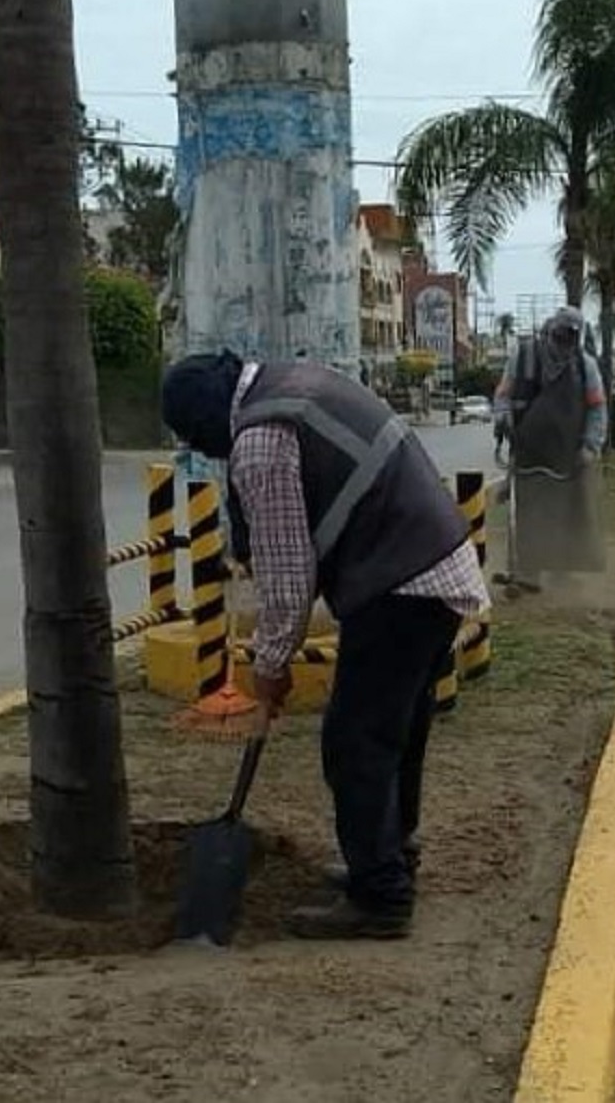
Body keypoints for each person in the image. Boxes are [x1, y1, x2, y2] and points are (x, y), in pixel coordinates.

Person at [161, 351, 491, 938]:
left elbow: (288, 577)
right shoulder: (292, 381)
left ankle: (380, 898)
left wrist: (270, 665)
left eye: (195, 439)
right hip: (438, 568)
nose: (204, 451)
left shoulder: (260, 441)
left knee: (355, 743)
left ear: (206, 420)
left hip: (401, 582)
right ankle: (390, 857)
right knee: (395, 734)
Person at [492, 306, 608, 588]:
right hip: (528, 448)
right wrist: (502, 417)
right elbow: (503, 394)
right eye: (560, 336)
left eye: (570, 338)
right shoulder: (523, 357)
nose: (563, 343)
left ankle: (562, 569)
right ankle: (527, 571)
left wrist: (590, 446)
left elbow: (597, 409)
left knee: (568, 511)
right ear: (550, 331)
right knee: (529, 510)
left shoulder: (586, 367)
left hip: (568, 453)